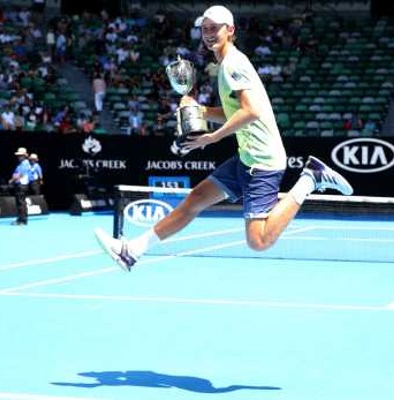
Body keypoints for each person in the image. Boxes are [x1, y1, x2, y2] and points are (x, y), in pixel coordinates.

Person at [94, 5, 353, 271]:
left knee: (259, 241)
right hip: (246, 157)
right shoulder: (225, 63)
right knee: (195, 200)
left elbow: (251, 112)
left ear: (230, 31)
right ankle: (133, 251)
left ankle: (311, 178)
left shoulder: (232, 64)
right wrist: (200, 110)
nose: (208, 34)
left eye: (214, 28)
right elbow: (233, 111)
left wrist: (212, 137)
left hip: (262, 162)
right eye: (205, 29)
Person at [8, 147, 31, 225]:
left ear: (24, 156)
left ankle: (22, 220)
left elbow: (20, 174)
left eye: (20, 155)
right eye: (18, 155)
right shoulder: (22, 163)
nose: (19, 157)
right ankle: (22, 219)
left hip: (21, 185)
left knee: (21, 203)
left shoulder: (25, 163)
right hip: (21, 185)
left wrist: (12, 180)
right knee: (21, 202)